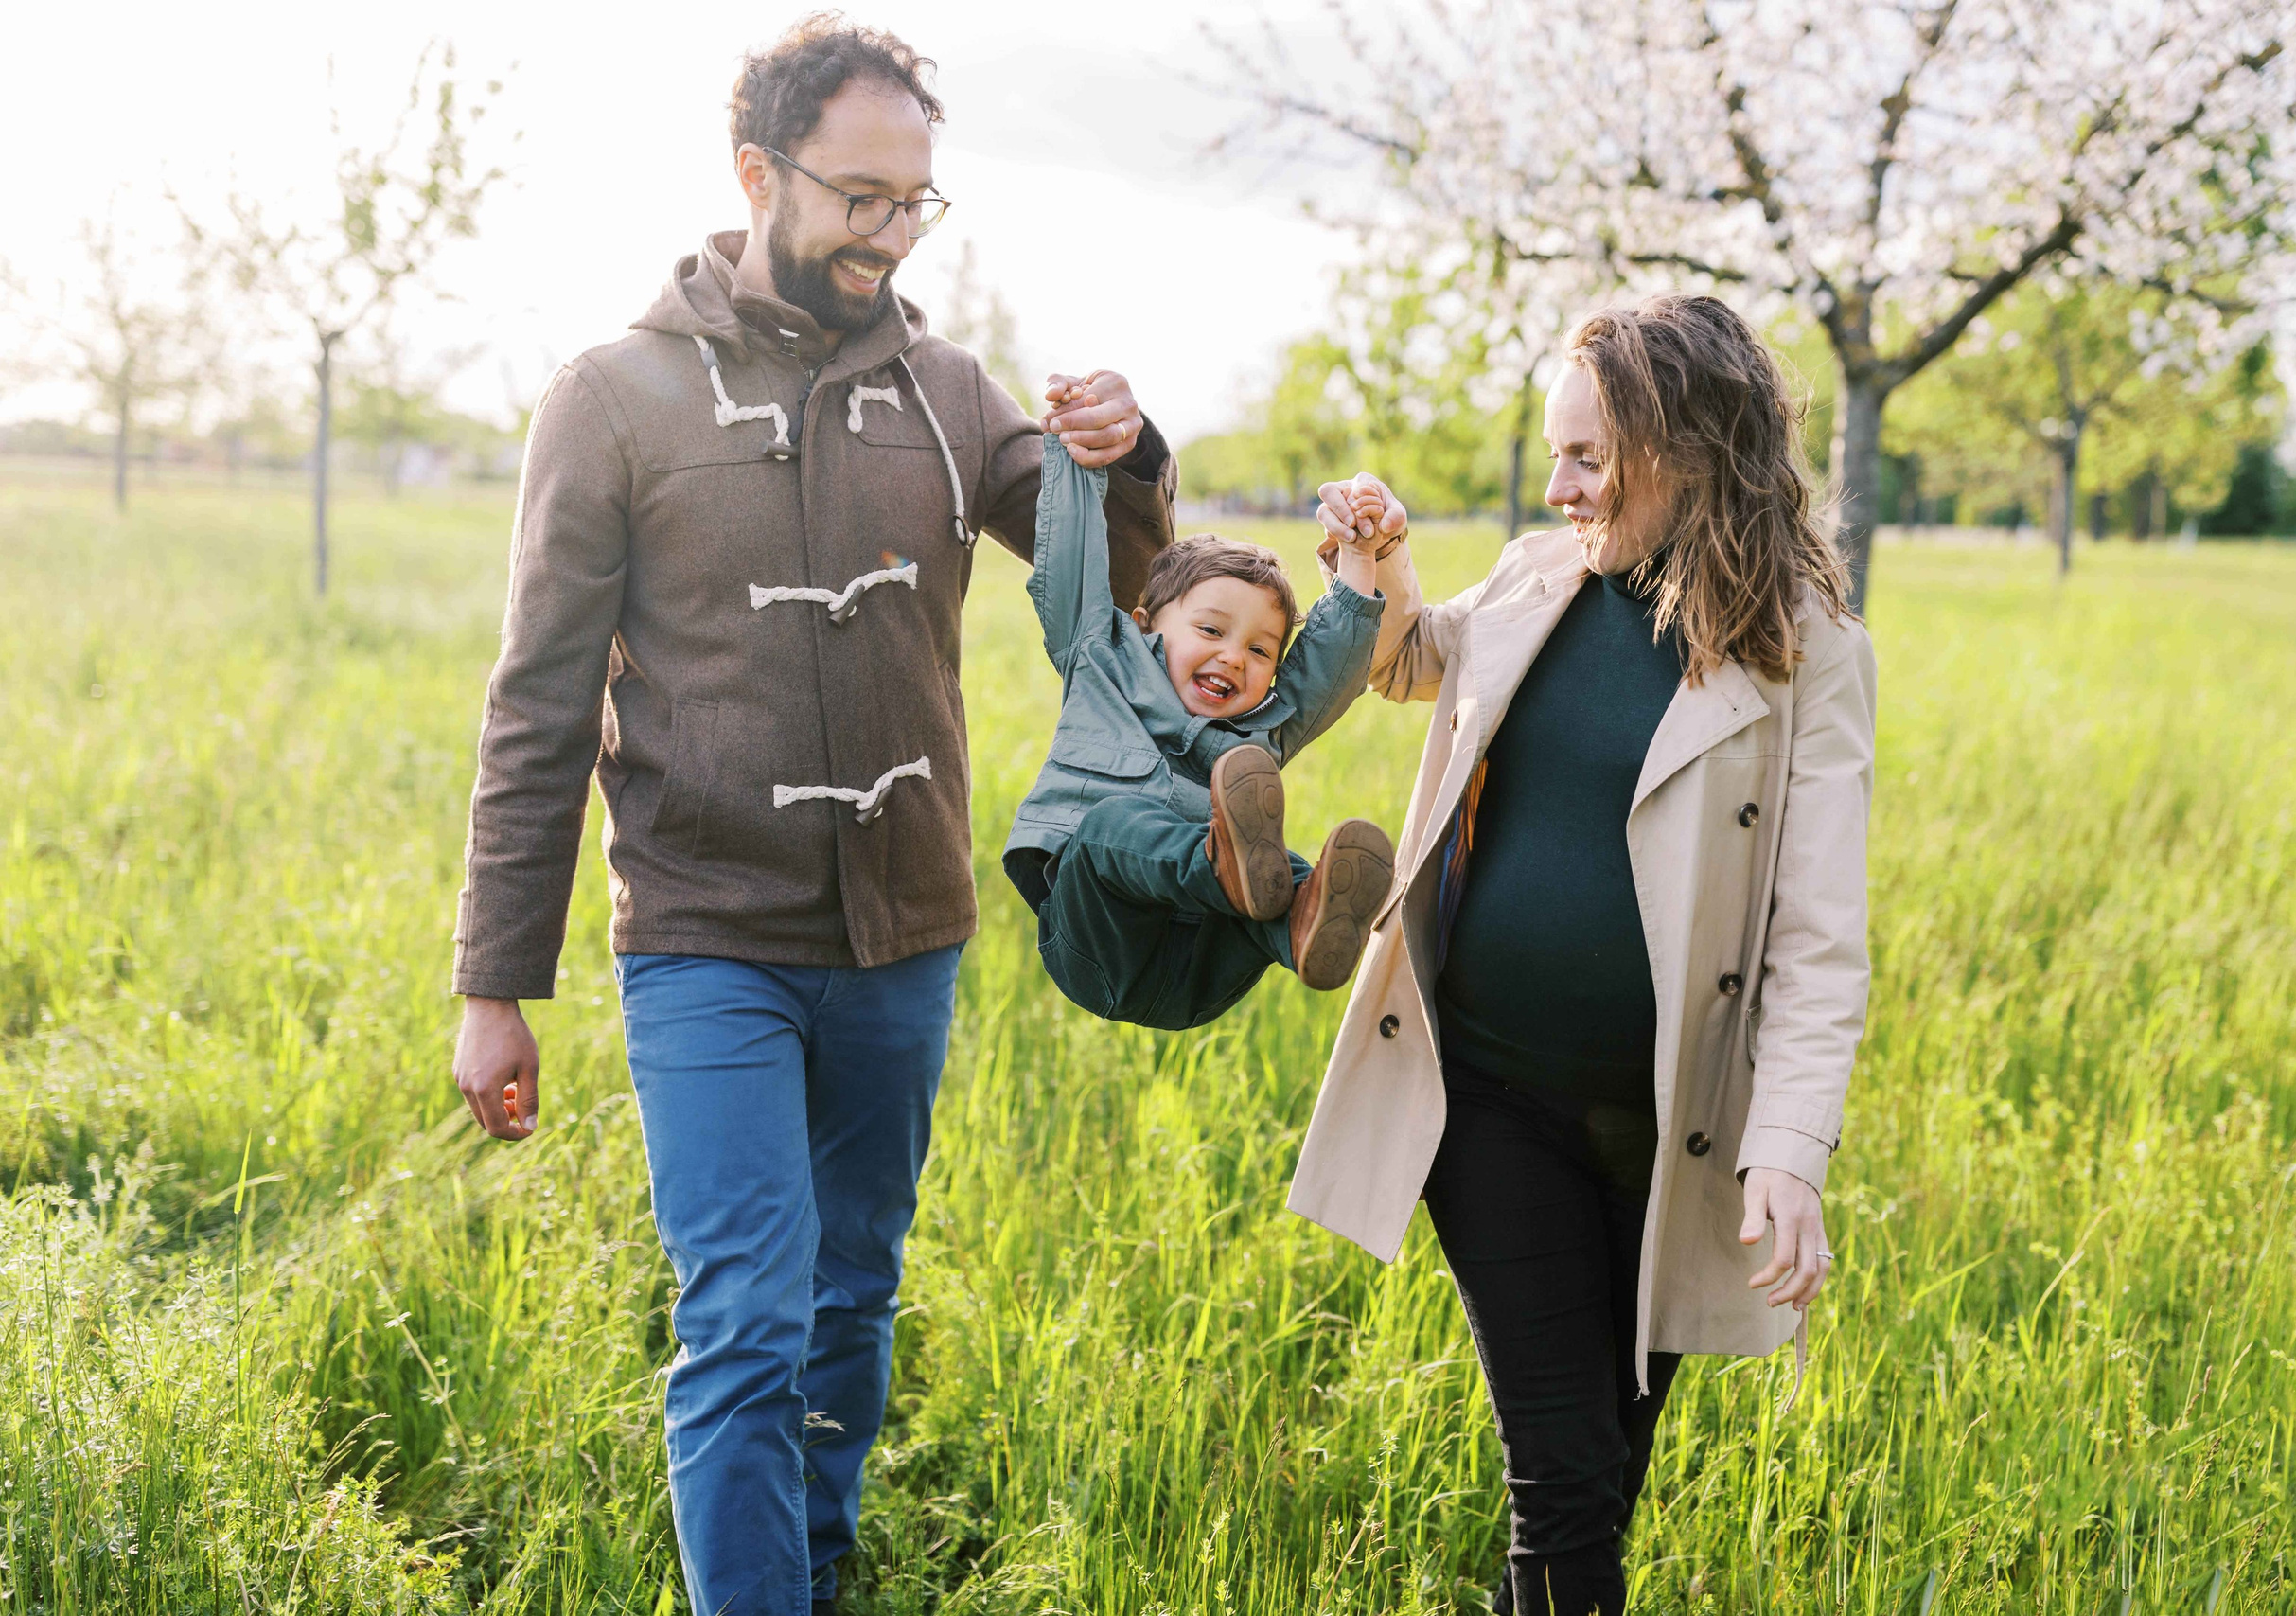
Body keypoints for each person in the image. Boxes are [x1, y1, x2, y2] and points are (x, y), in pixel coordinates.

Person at [445, 18, 1179, 1615]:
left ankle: (811, 1567)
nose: (890, 234)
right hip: (708, 937)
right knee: (748, 1319)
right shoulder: (611, 397)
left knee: (854, 1299)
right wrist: (494, 982)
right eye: (860, 198)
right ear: (756, 172)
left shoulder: (946, 388)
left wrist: (1128, 464)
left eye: (916, 203)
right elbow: (539, 703)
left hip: (904, 935)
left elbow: (1110, 584)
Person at [1286, 295, 1877, 1613]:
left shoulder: (1807, 651)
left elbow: (1821, 929)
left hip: (1677, 1132)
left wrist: (1790, 1147)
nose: (1558, 486)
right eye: (1556, 454)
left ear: (1694, 449)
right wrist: (1379, 560)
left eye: (1590, 459)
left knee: (1602, 1476)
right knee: (1561, 1489)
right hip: (1483, 1093)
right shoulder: (1534, 576)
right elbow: (1406, 662)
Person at [1001, 438, 1398, 1029]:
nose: (1234, 657)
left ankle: (1304, 928)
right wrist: (1074, 451)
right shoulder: (1100, 660)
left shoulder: (1262, 728)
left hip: (1202, 969)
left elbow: (1330, 668)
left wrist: (1358, 555)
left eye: (1260, 649)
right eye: (1211, 630)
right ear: (1146, 624)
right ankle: (1225, 869)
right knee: (1109, 827)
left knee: (1282, 871)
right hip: (1099, 943)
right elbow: (1067, 562)